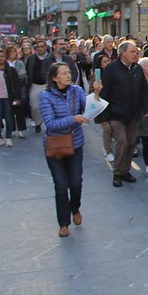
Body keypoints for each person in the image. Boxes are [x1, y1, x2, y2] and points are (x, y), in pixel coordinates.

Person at [40, 63, 99, 237]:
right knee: (60, 184)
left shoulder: (77, 91)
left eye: (69, 72)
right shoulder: (46, 96)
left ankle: (75, 207)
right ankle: (63, 222)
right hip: (55, 144)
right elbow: (50, 124)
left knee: (75, 182)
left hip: (75, 142)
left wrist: (96, 94)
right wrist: (73, 119)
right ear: (54, 78)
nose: (68, 76)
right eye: (63, 73)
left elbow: (88, 109)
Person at [100, 41, 148, 187]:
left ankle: (125, 170)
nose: (135, 54)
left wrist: (147, 108)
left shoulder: (137, 69)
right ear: (123, 53)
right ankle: (117, 172)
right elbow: (105, 92)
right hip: (116, 113)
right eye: (132, 52)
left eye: (136, 52)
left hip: (133, 113)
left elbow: (144, 90)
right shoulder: (112, 68)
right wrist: (104, 116)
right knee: (121, 141)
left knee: (130, 143)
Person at [0, 48, 21, 148]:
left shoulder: (11, 70)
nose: (1, 59)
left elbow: (16, 84)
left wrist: (17, 98)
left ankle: (8, 137)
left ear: (5, 57)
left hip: (8, 97)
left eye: (2, 56)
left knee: (9, 117)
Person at [26, 39, 51, 133]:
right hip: (35, 84)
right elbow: (27, 70)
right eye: (38, 47)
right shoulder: (32, 58)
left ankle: (50, 124)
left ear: (45, 47)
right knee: (34, 106)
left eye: (42, 46)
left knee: (49, 106)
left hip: (47, 85)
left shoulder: (50, 58)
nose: (40, 49)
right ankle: (37, 122)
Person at [94, 54, 114, 162]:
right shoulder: (97, 75)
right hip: (101, 106)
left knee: (113, 128)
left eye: (109, 61)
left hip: (113, 105)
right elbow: (92, 93)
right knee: (107, 129)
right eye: (105, 62)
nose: (108, 63)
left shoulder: (114, 73)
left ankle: (108, 145)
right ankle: (108, 150)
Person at [6, 46, 28, 139]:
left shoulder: (20, 63)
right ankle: (12, 128)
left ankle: (21, 129)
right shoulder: (5, 64)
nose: (13, 54)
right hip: (8, 89)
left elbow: (23, 74)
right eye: (11, 52)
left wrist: (14, 77)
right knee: (9, 109)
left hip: (19, 88)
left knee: (20, 108)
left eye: (14, 52)